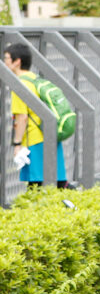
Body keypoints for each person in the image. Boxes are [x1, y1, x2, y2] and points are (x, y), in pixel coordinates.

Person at [5, 43, 68, 189]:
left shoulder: (20, 85)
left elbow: (22, 117)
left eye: (7, 58)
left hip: (34, 140)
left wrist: (17, 144)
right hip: (50, 136)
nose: (4, 61)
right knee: (57, 184)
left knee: (36, 186)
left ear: (17, 61)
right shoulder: (35, 79)